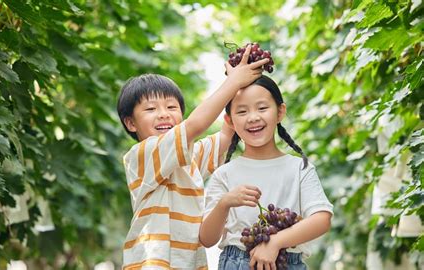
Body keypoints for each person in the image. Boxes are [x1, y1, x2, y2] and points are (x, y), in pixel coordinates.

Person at [117, 45, 270, 269]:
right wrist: (233, 82)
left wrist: (239, 89)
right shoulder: (142, 154)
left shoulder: (187, 158)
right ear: (131, 123)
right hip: (150, 262)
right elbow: (196, 124)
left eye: (172, 106)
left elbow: (226, 135)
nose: (163, 114)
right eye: (150, 109)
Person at [199, 75, 333, 270]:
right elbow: (207, 238)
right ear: (230, 121)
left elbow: (322, 219)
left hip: (287, 262)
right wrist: (224, 204)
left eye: (262, 108)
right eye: (242, 111)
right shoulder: (224, 174)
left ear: (280, 112)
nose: (253, 117)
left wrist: (276, 242)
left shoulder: (299, 168)